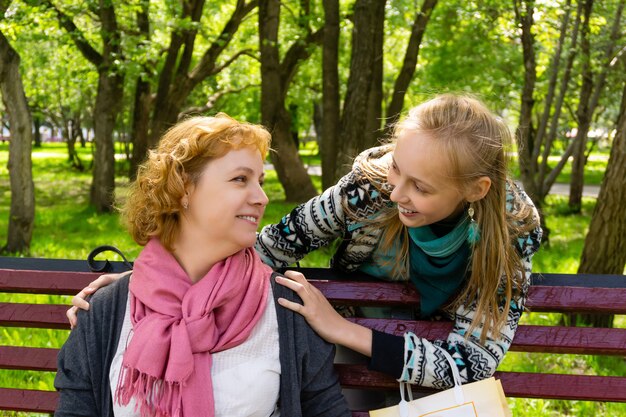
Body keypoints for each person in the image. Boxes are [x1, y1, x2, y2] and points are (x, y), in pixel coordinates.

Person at [68, 94, 542, 392]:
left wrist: (339, 329)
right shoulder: (369, 188)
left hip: (420, 373)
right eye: (399, 168)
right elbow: (272, 246)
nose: (398, 194)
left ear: (475, 190)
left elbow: (473, 362)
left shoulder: (510, 238)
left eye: (422, 187)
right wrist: (145, 279)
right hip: (351, 363)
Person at [54, 115, 350, 417]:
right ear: (183, 188)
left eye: (260, 182)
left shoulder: (286, 308)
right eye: (240, 179)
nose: (262, 198)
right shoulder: (107, 310)